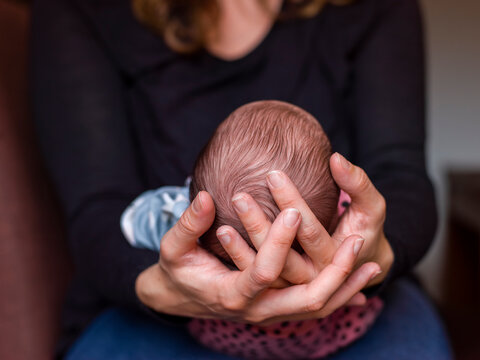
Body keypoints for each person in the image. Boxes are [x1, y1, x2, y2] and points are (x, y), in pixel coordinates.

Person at [31, 0, 452, 358]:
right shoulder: (82, 10)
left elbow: (403, 178)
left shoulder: (177, 210)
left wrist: (366, 254)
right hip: (157, 307)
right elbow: (97, 213)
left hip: (355, 298)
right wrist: (167, 285)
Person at [121, 100, 384, 359]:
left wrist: (170, 207)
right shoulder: (344, 216)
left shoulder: (184, 229)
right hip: (332, 335)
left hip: (220, 338)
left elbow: (132, 222)